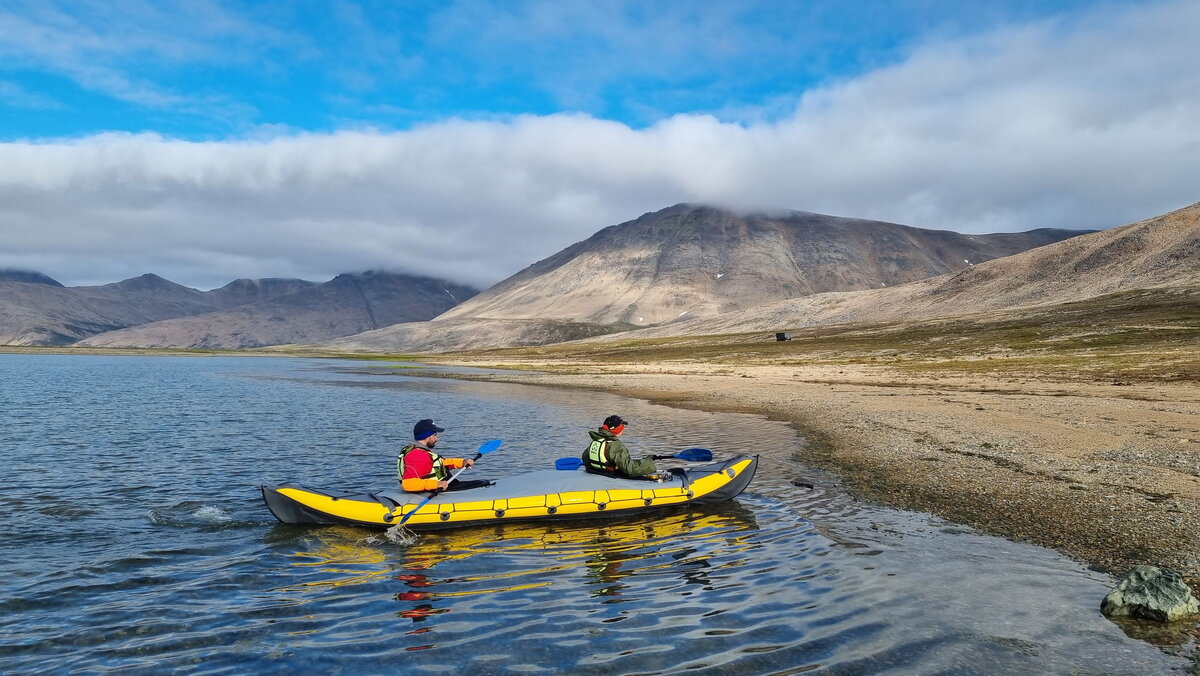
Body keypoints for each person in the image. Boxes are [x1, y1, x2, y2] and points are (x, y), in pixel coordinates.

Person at [397, 419, 489, 492]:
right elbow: (408, 484)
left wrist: (462, 462)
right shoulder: (418, 455)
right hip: (433, 490)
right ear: (428, 436)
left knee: (482, 483)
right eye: (435, 435)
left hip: (441, 486)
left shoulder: (421, 451)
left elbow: (441, 463)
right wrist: (437, 484)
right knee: (483, 483)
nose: (437, 438)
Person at [581, 415, 658, 478]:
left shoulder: (596, 441)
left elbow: (585, 459)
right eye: (622, 427)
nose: (623, 430)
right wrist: (649, 462)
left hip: (598, 473)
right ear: (618, 430)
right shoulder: (616, 445)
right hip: (612, 476)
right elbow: (630, 469)